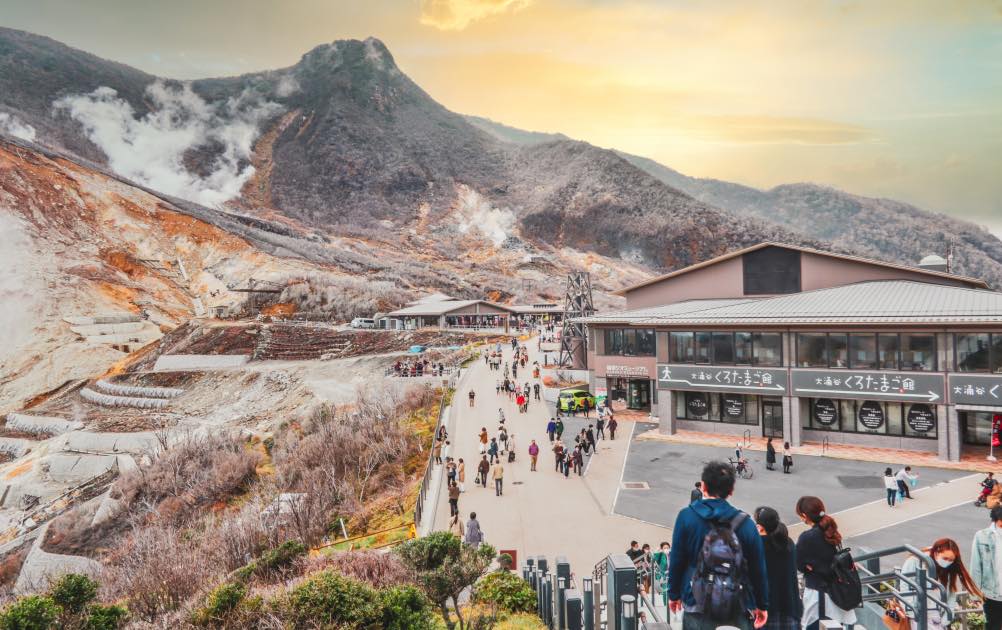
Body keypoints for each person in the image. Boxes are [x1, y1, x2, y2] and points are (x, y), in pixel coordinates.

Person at [668, 461, 768, 629]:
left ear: (703, 486)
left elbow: (677, 559)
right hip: (737, 600)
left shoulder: (686, 517)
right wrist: (761, 604)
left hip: (696, 600)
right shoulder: (746, 523)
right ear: (731, 491)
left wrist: (674, 594)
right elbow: (758, 568)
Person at [794, 496, 856, 629]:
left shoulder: (807, 537)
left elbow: (798, 564)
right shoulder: (831, 531)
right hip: (837, 593)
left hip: (817, 595)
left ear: (805, 516)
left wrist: (808, 567)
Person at [901, 538, 982, 630]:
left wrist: (946, 620)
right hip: (918, 614)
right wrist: (912, 613)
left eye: (951, 560)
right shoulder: (916, 560)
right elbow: (905, 586)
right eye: (945, 558)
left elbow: (951, 594)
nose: (948, 562)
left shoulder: (949, 568)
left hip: (937, 618)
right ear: (936, 553)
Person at [754, 506, 802, 629]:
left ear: (760, 526)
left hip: (766, 608)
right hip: (790, 605)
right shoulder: (788, 543)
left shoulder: (757, 545)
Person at [971, 505, 1002, 630]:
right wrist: (975, 594)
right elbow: (976, 567)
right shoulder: (981, 536)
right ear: (995, 521)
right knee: (992, 626)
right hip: (991, 594)